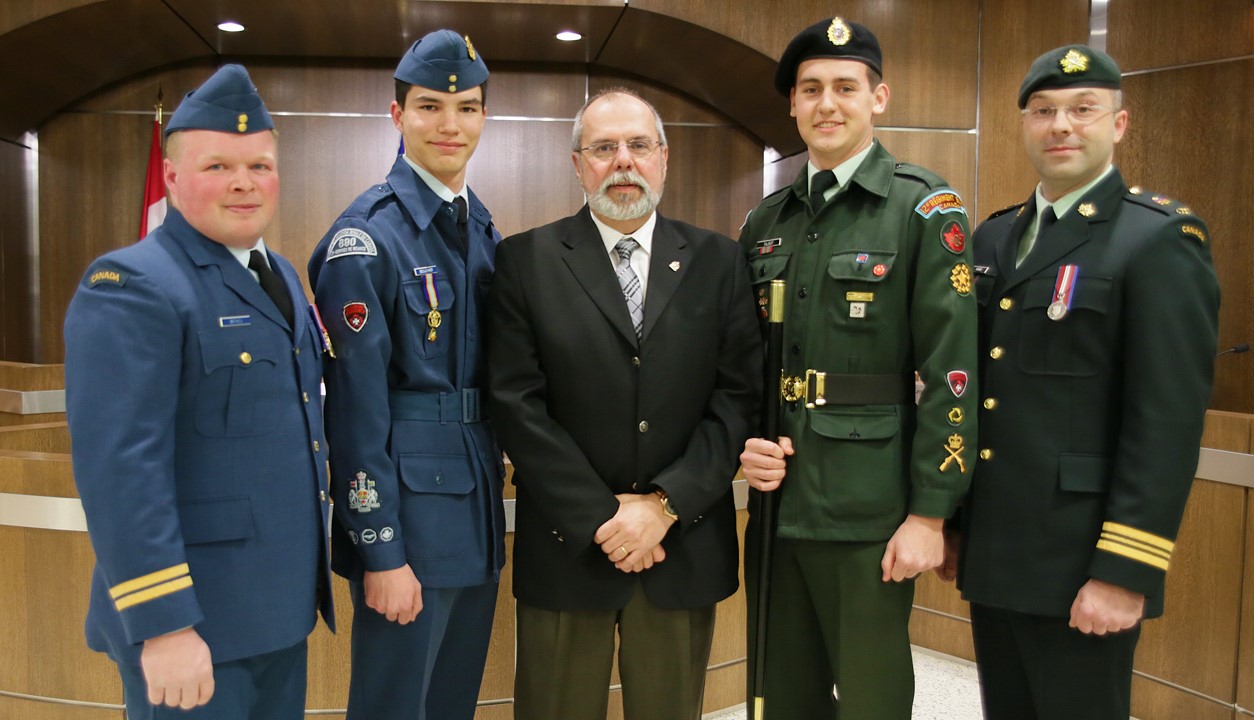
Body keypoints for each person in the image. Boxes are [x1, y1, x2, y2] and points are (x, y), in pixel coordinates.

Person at [943, 44, 1219, 720]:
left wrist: (1125, 572)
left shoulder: (1157, 240)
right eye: (1044, 111)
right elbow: (980, 395)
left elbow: (1166, 422)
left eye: (1082, 109)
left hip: (1082, 560)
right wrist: (956, 524)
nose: (1061, 125)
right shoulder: (993, 239)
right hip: (999, 553)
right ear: (1025, 125)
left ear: (1118, 125)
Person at [63, 64, 334, 719]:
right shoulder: (134, 285)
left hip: (276, 612)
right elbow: (123, 470)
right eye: (218, 166)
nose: (244, 182)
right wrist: (164, 625)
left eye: (259, 165)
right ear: (175, 177)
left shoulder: (283, 276)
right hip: (195, 627)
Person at [486, 87, 762, 720]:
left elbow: (738, 397)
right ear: (578, 164)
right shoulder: (525, 261)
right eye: (604, 148)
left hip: (681, 545)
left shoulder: (719, 261)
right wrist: (604, 518)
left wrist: (665, 506)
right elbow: (516, 405)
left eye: (639, 145)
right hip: (568, 546)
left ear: (664, 158)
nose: (623, 161)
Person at [737, 17, 979, 719]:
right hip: (779, 502)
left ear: (880, 97)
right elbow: (747, 360)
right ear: (792, 104)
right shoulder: (766, 221)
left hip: (870, 508)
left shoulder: (923, 208)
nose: (827, 104)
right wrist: (745, 445)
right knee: (782, 695)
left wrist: (932, 512)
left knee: (871, 697)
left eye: (846, 86)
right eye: (810, 88)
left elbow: (953, 372)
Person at [307, 29, 504, 720]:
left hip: (472, 509)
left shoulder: (477, 227)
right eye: (429, 106)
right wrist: (380, 548)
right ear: (397, 116)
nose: (450, 125)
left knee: (450, 705)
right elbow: (355, 411)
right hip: (411, 524)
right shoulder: (367, 237)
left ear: (484, 117)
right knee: (395, 707)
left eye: (467, 108)